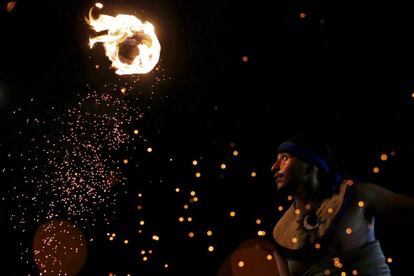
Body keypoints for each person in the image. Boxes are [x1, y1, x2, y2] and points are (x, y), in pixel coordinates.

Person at [270, 134, 414, 276]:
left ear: (310, 167)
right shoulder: (280, 233)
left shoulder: (358, 195)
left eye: (284, 158)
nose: (274, 167)